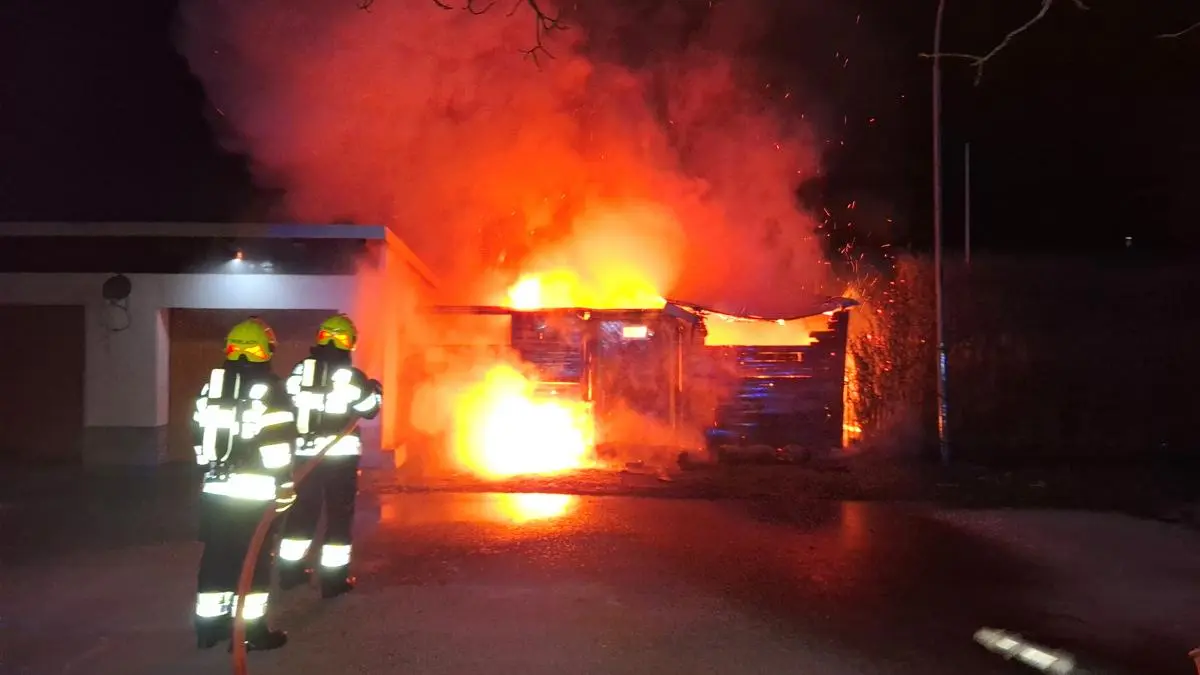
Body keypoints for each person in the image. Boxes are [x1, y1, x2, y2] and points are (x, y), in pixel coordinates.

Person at [192, 317, 297, 651]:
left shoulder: (213, 387)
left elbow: (198, 433)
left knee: (217, 557)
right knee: (253, 561)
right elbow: (276, 446)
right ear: (266, 351)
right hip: (254, 494)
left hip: (214, 490)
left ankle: (210, 628)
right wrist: (284, 485)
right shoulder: (271, 391)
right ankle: (252, 632)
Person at [277, 313, 382, 598]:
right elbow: (369, 409)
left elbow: (286, 404)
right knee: (338, 519)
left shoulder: (299, 372)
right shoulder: (349, 376)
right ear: (349, 343)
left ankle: (290, 573)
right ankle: (333, 581)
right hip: (339, 460)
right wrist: (375, 391)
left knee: (302, 514)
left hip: (304, 457)